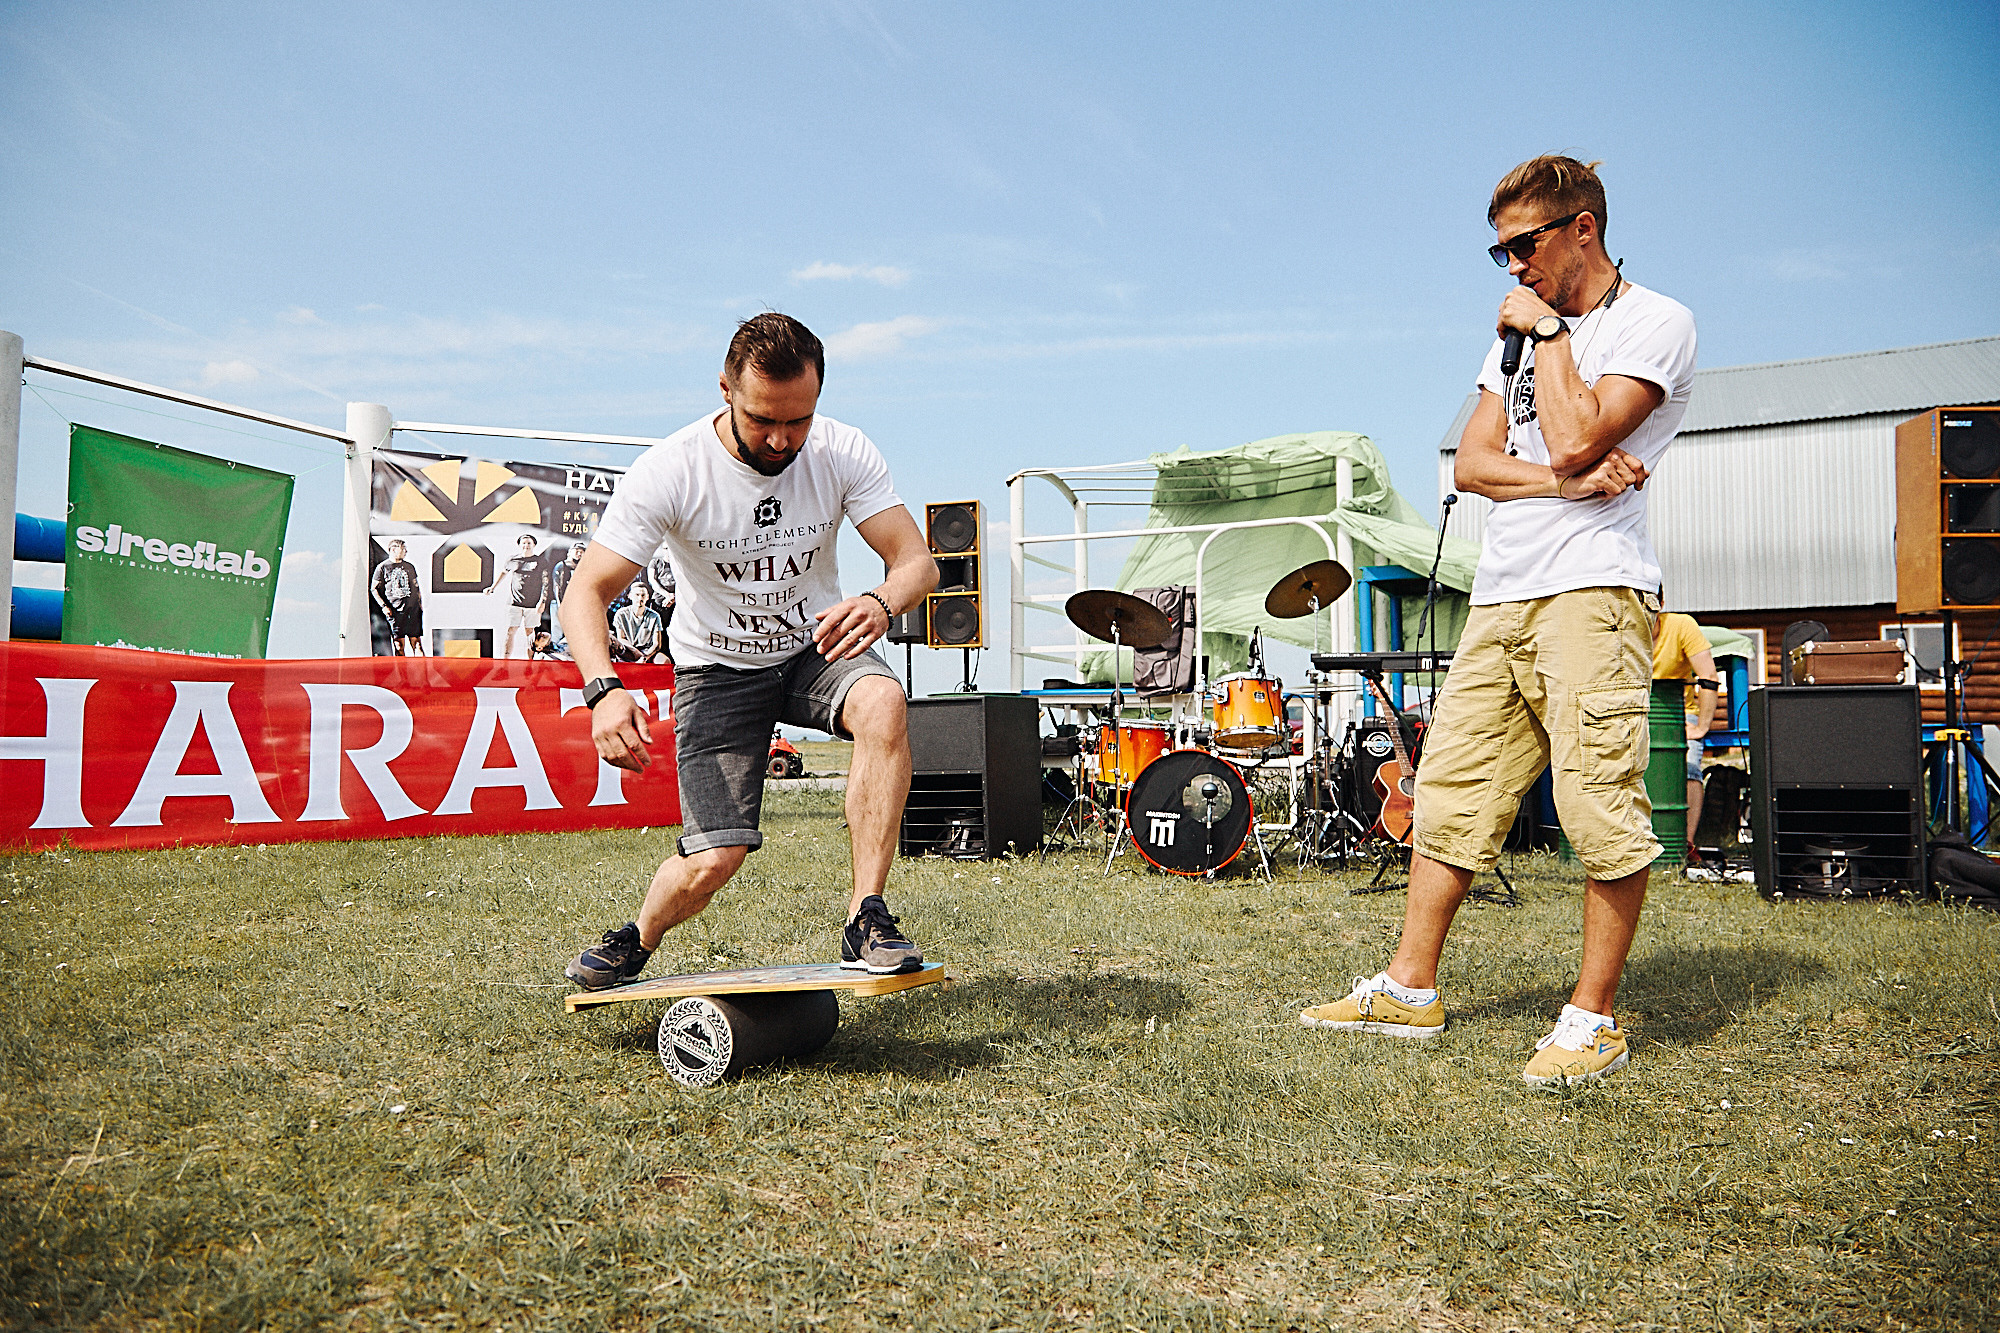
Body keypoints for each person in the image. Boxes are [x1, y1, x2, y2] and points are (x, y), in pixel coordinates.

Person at [1300, 155, 1698, 1086]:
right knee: (1450, 791)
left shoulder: (1654, 322)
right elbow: (1474, 466)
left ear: (1583, 228)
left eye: (1525, 245)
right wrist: (1567, 483)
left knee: (1598, 803)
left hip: (1593, 591)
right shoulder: (1510, 341)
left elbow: (1575, 430)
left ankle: (1593, 1019)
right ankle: (1409, 988)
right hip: (1502, 593)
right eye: (1501, 252)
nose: (1514, 267)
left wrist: (1553, 336)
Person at [562, 313, 939, 989]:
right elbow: (585, 591)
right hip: (717, 669)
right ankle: (636, 938)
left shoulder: (842, 450)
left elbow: (917, 563)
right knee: (715, 859)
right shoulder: (671, 470)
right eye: (763, 419)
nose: (781, 439)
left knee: (883, 700)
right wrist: (603, 690)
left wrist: (881, 602)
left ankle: (867, 916)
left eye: (799, 420)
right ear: (726, 389)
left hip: (812, 645)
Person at [1651, 609, 1720, 855]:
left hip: (1678, 713)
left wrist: (1702, 727)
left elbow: (1708, 676)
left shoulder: (1681, 625)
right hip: (1635, 711)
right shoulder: (1620, 630)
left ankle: (1684, 845)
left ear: (1660, 603)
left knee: (1689, 767)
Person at [492, 534, 549, 659]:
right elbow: (504, 572)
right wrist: (493, 587)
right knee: (510, 630)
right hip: (515, 602)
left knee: (530, 633)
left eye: (529, 543)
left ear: (534, 545)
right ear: (519, 545)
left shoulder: (541, 561)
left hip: (533, 604)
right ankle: (505, 662)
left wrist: (542, 601)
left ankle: (530, 662)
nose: (526, 545)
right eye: (524, 543)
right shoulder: (512, 560)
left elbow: (545, 582)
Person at [369, 539, 426, 656]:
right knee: (398, 645)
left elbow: (416, 587)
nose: (405, 551)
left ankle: (421, 667)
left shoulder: (409, 567)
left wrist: (419, 604)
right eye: (403, 549)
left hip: (412, 610)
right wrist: (383, 606)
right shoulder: (382, 567)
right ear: (394, 549)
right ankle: (401, 668)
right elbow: (373, 588)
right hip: (395, 611)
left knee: (417, 643)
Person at [609, 579, 665, 663]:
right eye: (637, 595)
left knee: (664, 660)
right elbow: (621, 638)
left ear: (647, 597)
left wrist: (645, 657)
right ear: (630, 596)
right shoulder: (621, 614)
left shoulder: (654, 616)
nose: (640, 598)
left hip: (647, 652)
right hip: (628, 650)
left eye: (643, 595)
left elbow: (656, 644)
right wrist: (636, 653)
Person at [549, 541, 587, 658]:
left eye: (582, 552)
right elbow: (557, 587)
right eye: (577, 551)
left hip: (577, 605)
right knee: (557, 631)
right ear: (570, 552)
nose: (579, 554)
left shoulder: (584, 568)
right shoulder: (561, 566)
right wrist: (561, 606)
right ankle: (555, 654)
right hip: (560, 604)